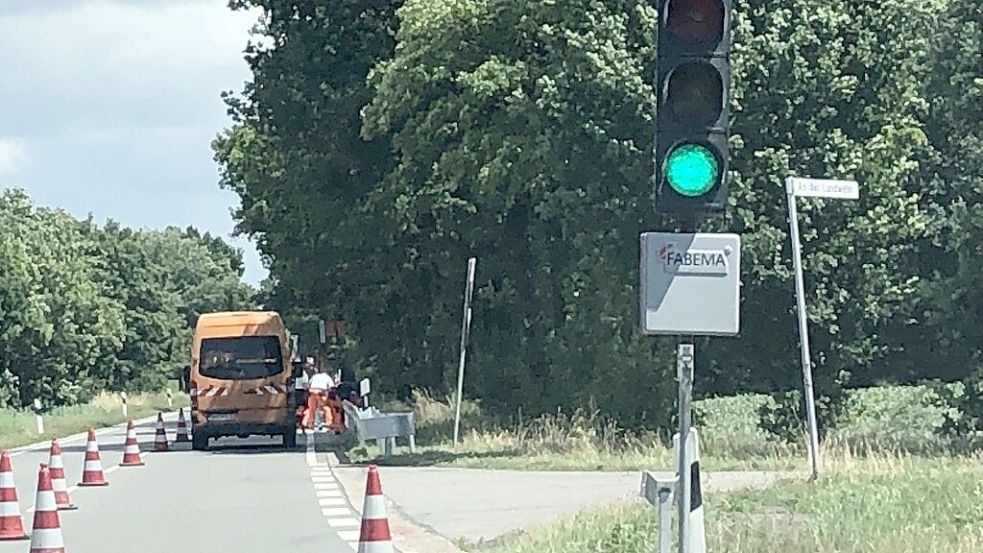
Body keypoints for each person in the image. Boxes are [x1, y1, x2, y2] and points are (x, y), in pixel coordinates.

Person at [303, 364, 335, 430]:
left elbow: (309, 384)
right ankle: (328, 422)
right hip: (321, 392)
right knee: (325, 407)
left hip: (312, 392)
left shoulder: (315, 376)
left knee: (311, 409)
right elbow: (331, 387)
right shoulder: (327, 377)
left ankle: (308, 423)